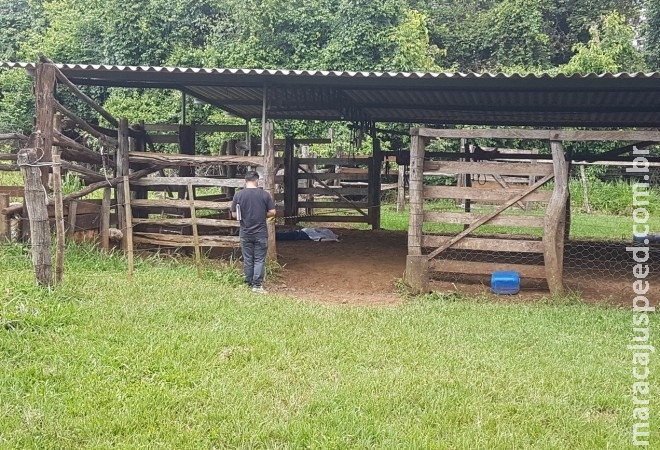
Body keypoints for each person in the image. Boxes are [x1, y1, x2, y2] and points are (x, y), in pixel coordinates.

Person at [230, 171, 276, 293]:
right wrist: (262, 215)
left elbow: (234, 214)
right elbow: (272, 212)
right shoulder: (264, 195)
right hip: (260, 233)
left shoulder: (238, 195)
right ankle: (257, 285)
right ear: (257, 181)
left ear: (245, 181)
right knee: (259, 259)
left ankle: (249, 283)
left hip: (245, 232)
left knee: (248, 259)